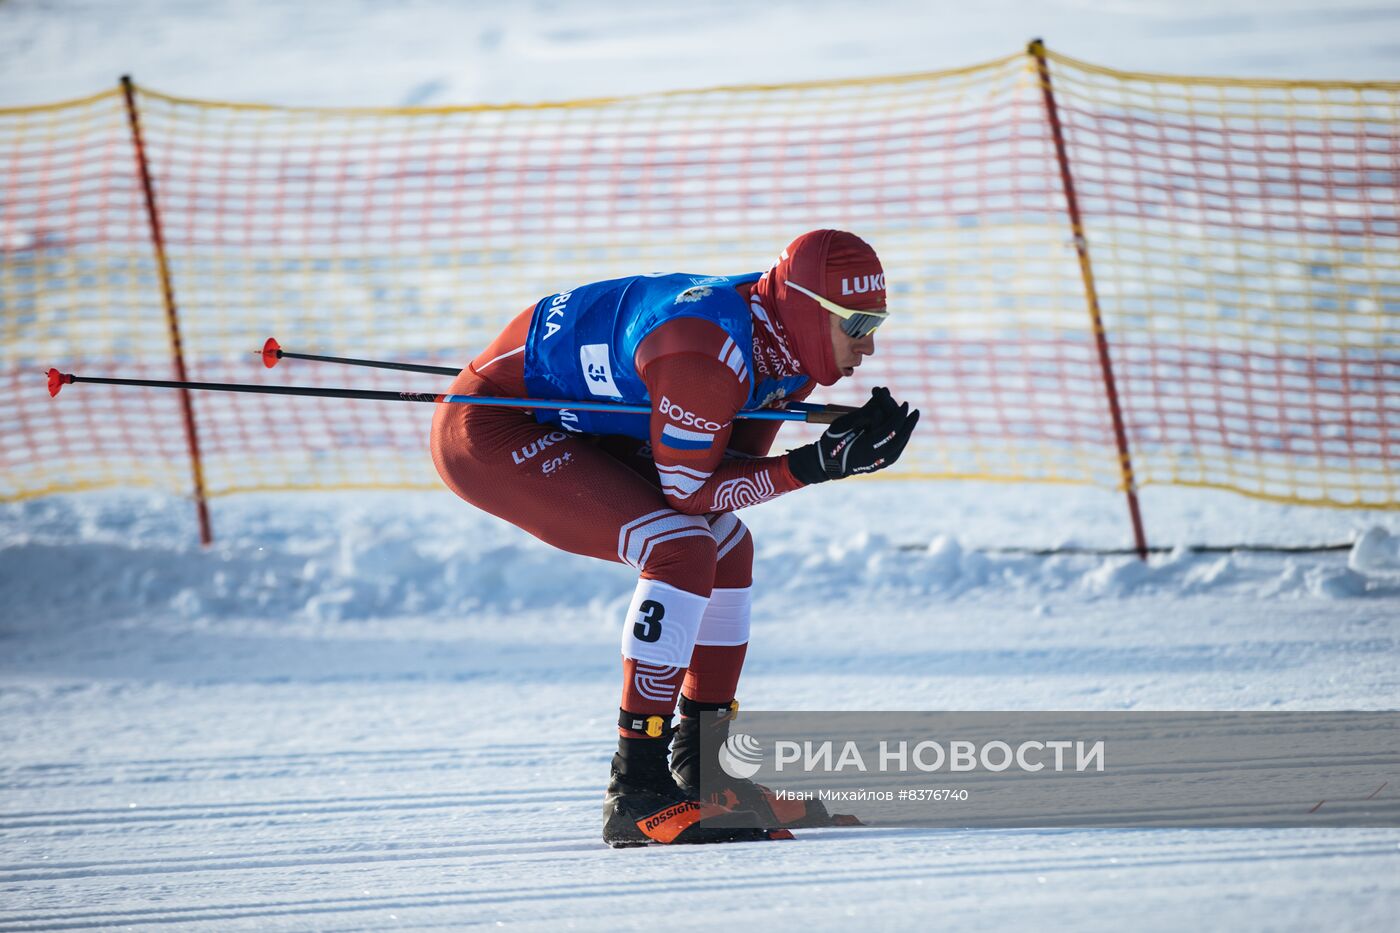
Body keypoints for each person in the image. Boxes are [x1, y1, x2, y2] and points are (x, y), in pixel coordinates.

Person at [430, 229, 919, 846]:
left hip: (581, 416)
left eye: (877, 321)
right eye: (857, 323)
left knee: (726, 544)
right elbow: (690, 493)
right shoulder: (707, 356)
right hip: (494, 428)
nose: (869, 346)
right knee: (680, 546)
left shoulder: (784, 346)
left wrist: (825, 454)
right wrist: (816, 465)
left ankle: (704, 770)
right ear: (807, 308)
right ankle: (635, 789)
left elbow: (728, 472)